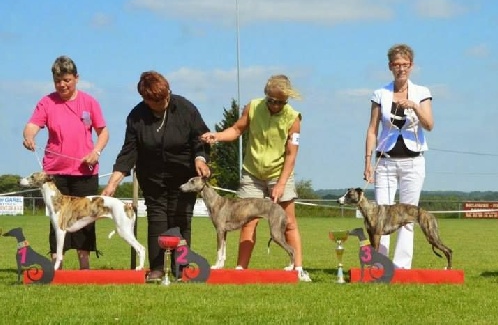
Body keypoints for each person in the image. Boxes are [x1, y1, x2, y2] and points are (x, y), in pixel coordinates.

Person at [101, 71, 210, 282]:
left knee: (181, 219)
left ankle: (181, 269)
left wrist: (200, 159)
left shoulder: (186, 108)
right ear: (145, 99)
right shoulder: (136, 116)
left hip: (184, 176)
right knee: (157, 219)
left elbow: (201, 138)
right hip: (152, 177)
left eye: (165, 97)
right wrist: (113, 183)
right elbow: (129, 151)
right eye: (156, 101)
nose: (163, 103)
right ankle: (158, 268)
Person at [200, 74, 311, 282]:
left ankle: (298, 269)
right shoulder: (252, 107)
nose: (274, 105)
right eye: (271, 100)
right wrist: (218, 136)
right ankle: (241, 270)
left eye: (280, 102)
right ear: (265, 95)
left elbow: (291, 154)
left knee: (289, 223)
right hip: (252, 172)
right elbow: (236, 130)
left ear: (286, 100)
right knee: (248, 222)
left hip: (280, 173)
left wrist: (281, 183)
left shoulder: (294, 118)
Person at [22, 55, 109, 269]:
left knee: (86, 219)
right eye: (58, 81)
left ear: (76, 78)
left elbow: (103, 132)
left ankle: (84, 264)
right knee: (56, 220)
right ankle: (56, 264)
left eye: (67, 80)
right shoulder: (47, 102)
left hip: (84, 172)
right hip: (55, 173)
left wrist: (96, 152)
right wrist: (29, 136)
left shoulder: (89, 102)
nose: (62, 85)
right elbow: (32, 125)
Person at [363, 43, 434, 269]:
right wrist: (368, 162)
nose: (401, 68)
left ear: (411, 66)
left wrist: (413, 106)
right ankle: (380, 262)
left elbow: (430, 125)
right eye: (396, 64)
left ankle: (402, 265)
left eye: (405, 64)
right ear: (390, 67)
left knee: (407, 215)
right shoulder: (380, 94)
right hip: (385, 161)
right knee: (380, 214)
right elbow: (372, 129)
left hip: (413, 161)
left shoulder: (422, 92)